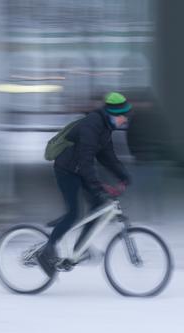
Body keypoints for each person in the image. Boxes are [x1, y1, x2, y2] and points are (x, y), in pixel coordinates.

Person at [37, 92, 132, 277]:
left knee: (98, 206)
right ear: (113, 114)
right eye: (123, 116)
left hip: (79, 170)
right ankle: (46, 251)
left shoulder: (105, 128)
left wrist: (123, 175)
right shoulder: (92, 124)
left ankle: (78, 249)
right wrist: (96, 185)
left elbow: (108, 157)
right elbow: (86, 159)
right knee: (74, 213)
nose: (125, 120)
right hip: (66, 170)